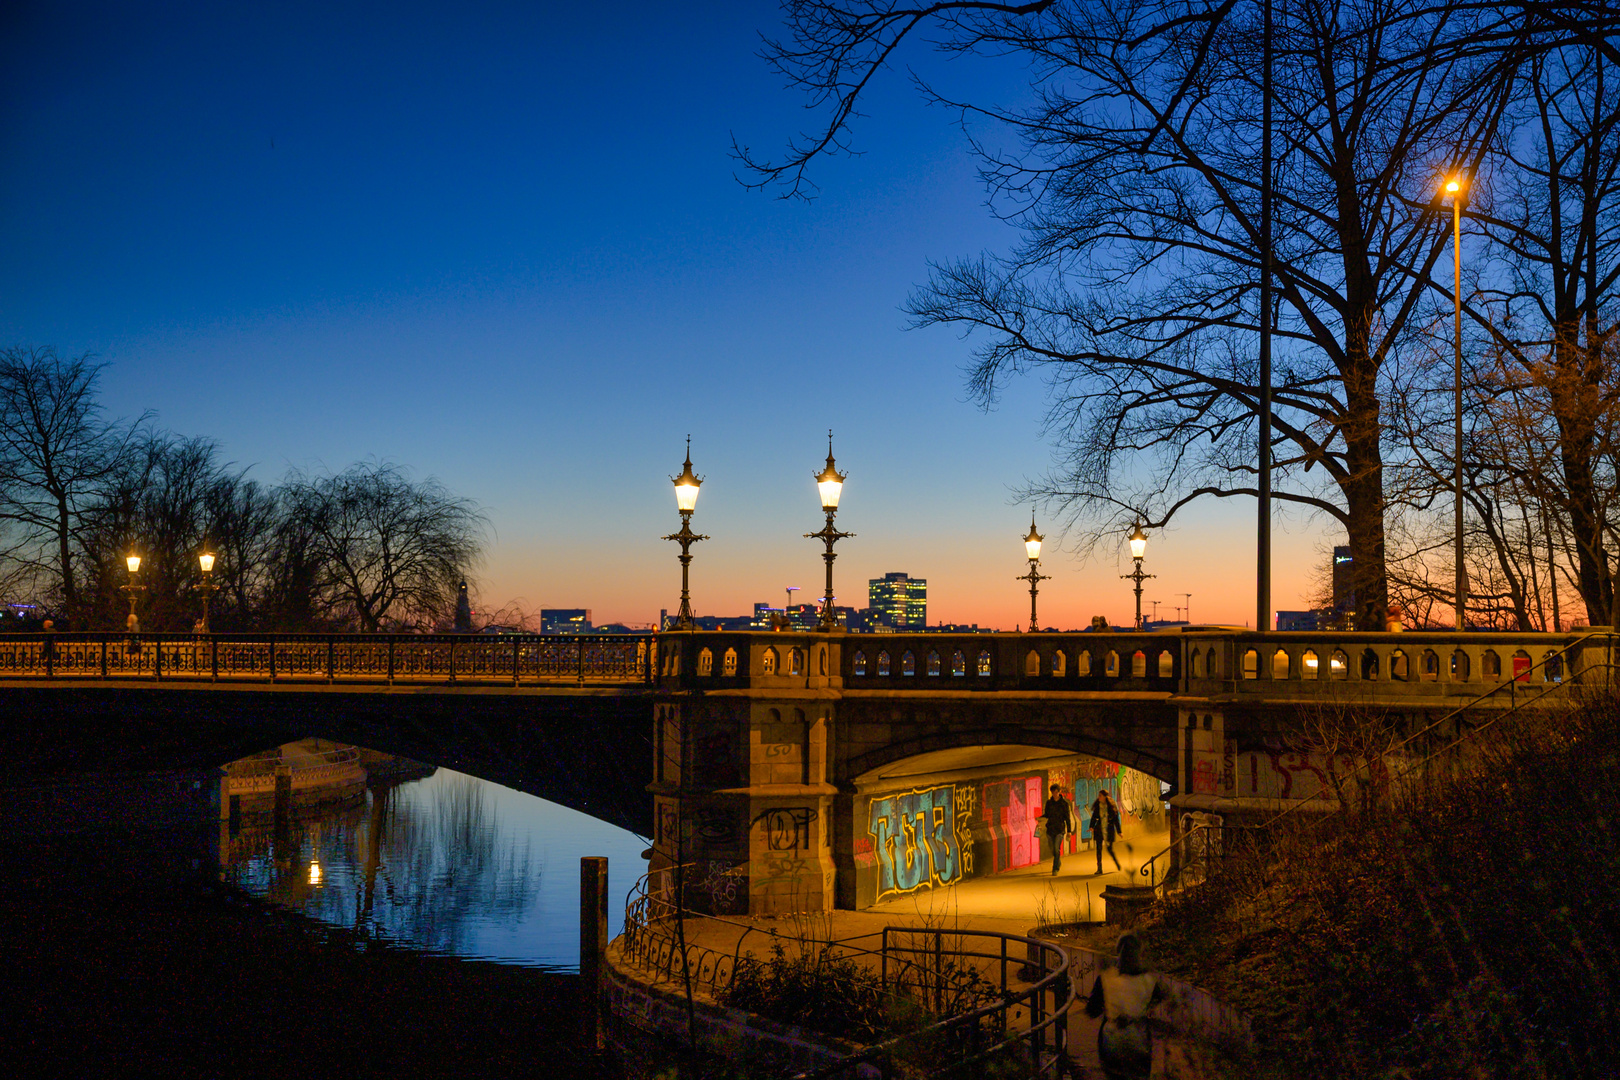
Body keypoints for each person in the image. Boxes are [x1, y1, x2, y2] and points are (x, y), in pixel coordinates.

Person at [1085, 932, 1167, 1080]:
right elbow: (1161, 996)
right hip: (1139, 1040)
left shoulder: (1106, 978)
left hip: (1112, 1040)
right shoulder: (1148, 980)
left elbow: (1092, 1010)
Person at [1040, 783, 1076, 876]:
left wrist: (1069, 831)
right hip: (1050, 829)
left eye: (1056, 792)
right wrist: (1039, 818)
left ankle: (1055, 868)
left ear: (1059, 792)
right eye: (1052, 792)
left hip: (1059, 829)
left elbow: (1067, 818)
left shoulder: (1064, 804)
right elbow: (1047, 814)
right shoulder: (1049, 803)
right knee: (1052, 849)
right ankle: (1058, 861)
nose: (1054, 794)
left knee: (1056, 848)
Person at [1091, 789, 1123, 874]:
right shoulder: (1098, 805)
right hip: (1099, 829)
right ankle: (1099, 868)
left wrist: (1119, 831)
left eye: (1100, 796)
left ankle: (1116, 862)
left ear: (1105, 796)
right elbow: (1094, 817)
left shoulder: (1111, 806)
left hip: (1109, 830)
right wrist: (1091, 826)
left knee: (1109, 849)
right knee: (1098, 849)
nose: (1099, 797)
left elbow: (1116, 819)